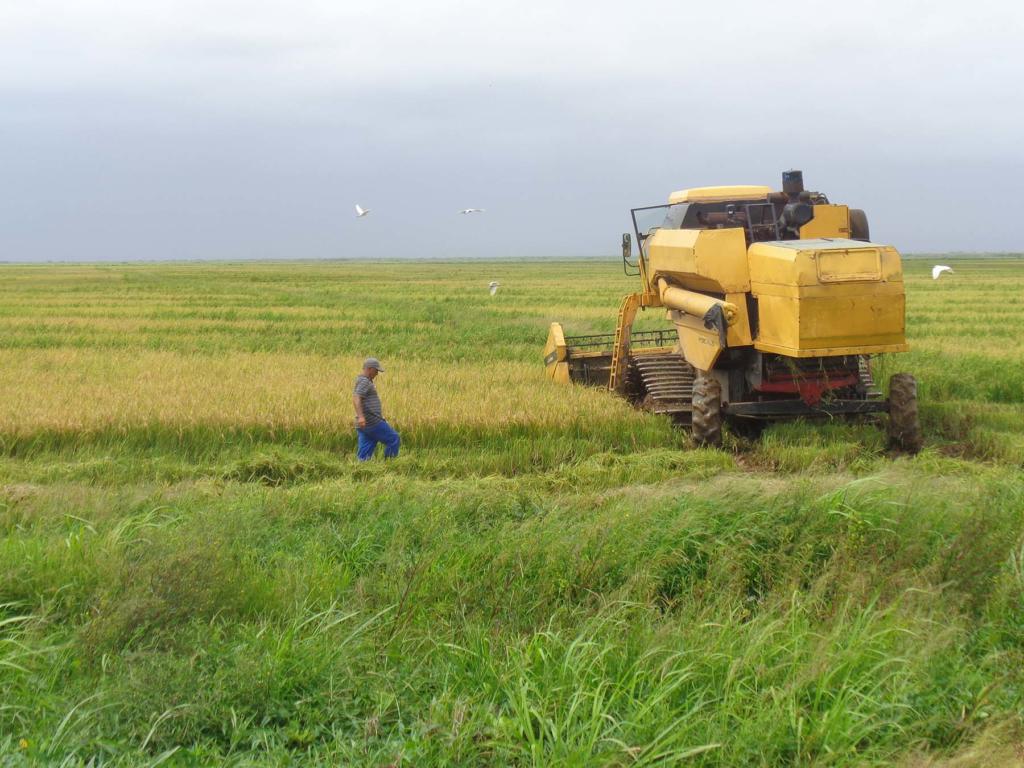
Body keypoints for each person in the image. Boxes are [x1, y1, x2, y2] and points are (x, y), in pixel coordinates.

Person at [352, 357, 401, 461]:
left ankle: (361, 467)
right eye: (376, 371)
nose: (377, 374)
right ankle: (390, 464)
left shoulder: (362, 380)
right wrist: (361, 417)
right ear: (369, 369)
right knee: (394, 439)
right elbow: (356, 398)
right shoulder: (364, 381)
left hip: (365, 424)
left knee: (365, 451)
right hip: (372, 422)